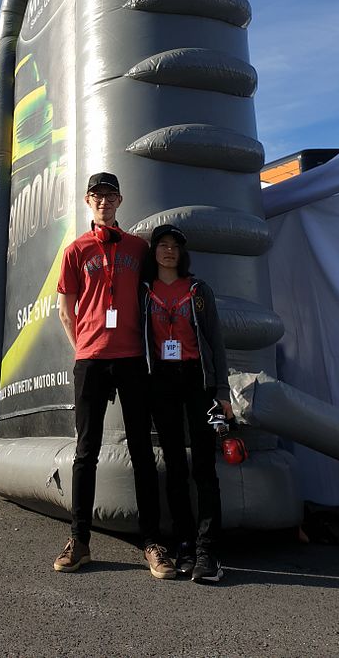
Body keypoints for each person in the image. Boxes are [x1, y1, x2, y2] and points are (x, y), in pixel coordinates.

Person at [54, 172, 175, 578]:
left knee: (142, 450)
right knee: (85, 451)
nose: (103, 201)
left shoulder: (139, 249)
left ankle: (152, 542)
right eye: (96, 195)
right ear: (87, 201)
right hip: (91, 360)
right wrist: (83, 348)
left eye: (110, 195)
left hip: (132, 359)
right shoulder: (75, 251)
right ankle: (80, 540)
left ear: (120, 200)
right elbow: (64, 310)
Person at [140, 225, 233, 583]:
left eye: (174, 246)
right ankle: (185, 545)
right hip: (161, 381)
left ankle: (209, 550)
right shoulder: (145, 292)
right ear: (154, 252)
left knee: (205, 466)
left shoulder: (198, 290)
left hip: (199, 381)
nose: (168, 251)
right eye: (162, 245)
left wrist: (222, 390)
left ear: (182, 253)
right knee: (175, 464)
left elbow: (217, 342)